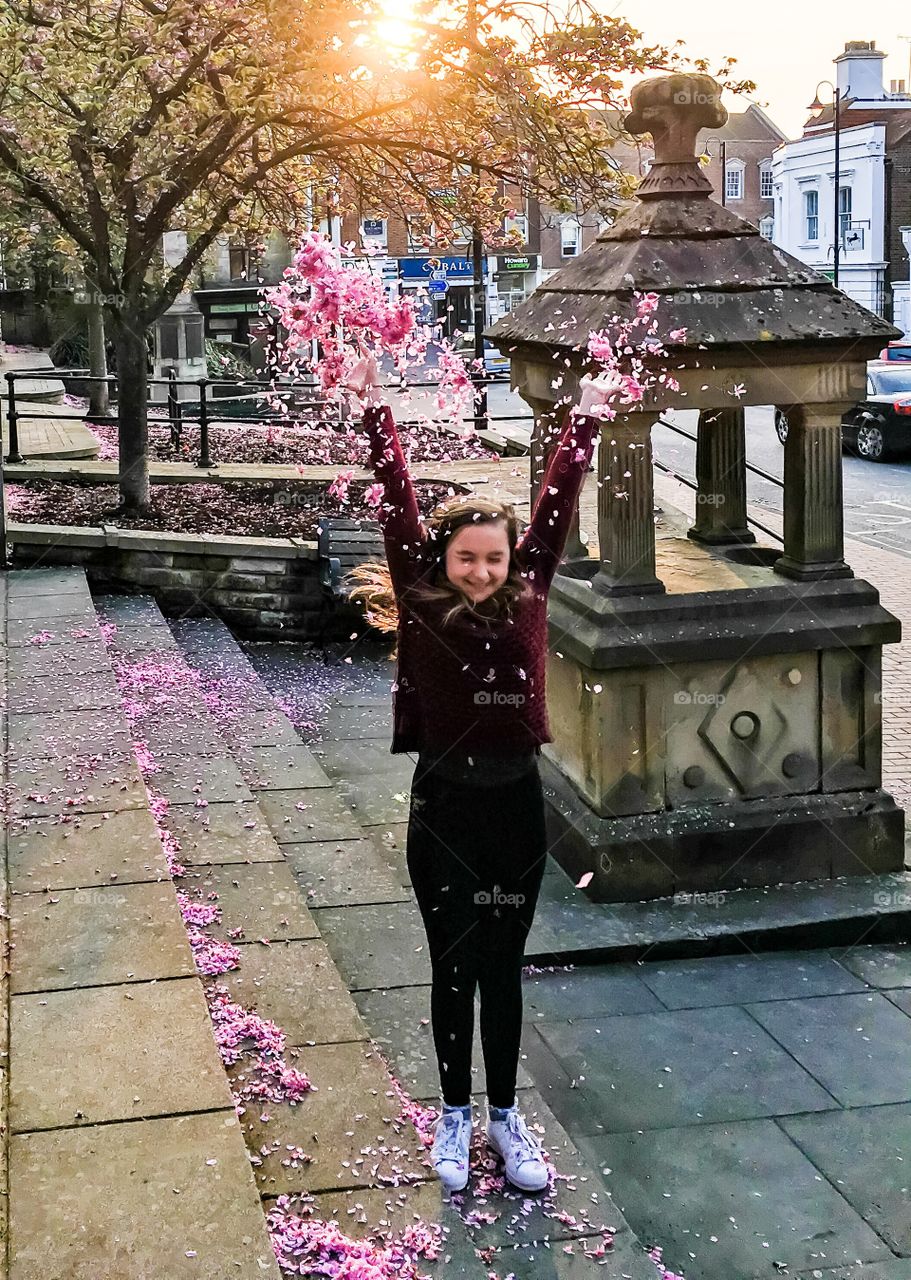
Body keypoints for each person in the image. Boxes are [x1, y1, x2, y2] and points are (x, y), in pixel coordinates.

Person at [345, 350, 611, 1195]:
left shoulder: (532, 587)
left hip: (514, 811)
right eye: (466, 557)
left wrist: (590, 414)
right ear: (444, 558)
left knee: (502, 964)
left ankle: (505, 1116)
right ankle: (453, 1114)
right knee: (450, 963)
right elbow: (395, 501)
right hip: (442, 809)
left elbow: (558, 500)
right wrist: (370, 406)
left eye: (492, 558)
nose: (481, 569)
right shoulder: (420, 590)